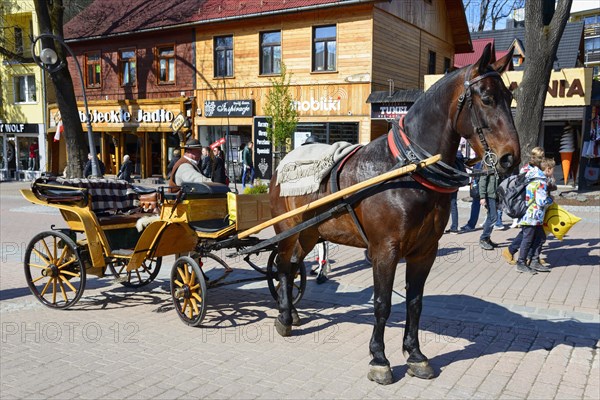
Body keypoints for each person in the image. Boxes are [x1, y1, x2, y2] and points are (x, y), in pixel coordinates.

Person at [503, 147, 546, 264]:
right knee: (529, 234)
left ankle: (530, 256)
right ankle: (524, 257)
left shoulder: (527, 169)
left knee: (530, 233)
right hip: (530, 207)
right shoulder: (534, 172)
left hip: (527, 206)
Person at [513, 157, 554, 274]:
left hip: (531, 215)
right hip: (533, 216)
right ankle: (521, 262)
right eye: (552, 170)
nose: (553, 172)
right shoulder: (540, 182)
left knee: (540, 237)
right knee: (528, 239)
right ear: (548, 169)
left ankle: (534, 260)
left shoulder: (531, 177)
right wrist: (551, 200)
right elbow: (541, 201)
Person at [445, 150, 466, 234]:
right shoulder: (459, 156)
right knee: (453, 206)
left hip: (446, 184)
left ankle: (443, 226)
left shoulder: (448, 155)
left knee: (444, 205)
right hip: (455, 184)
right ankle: (454, 227)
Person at [478, 165, 499, 250]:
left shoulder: (497, 165)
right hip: (489, 195)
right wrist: (482, 196)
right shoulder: (487, 164)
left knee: (491, 217)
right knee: (493, 217)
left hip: (495, 195)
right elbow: (482, 181)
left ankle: (486, 238)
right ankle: (483, 238)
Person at [460, 162, 482, 232]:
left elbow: (476, 178)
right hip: (482, 188)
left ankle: (471, 225)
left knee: (476, 204)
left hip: (480, 188)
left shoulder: (479, 163)